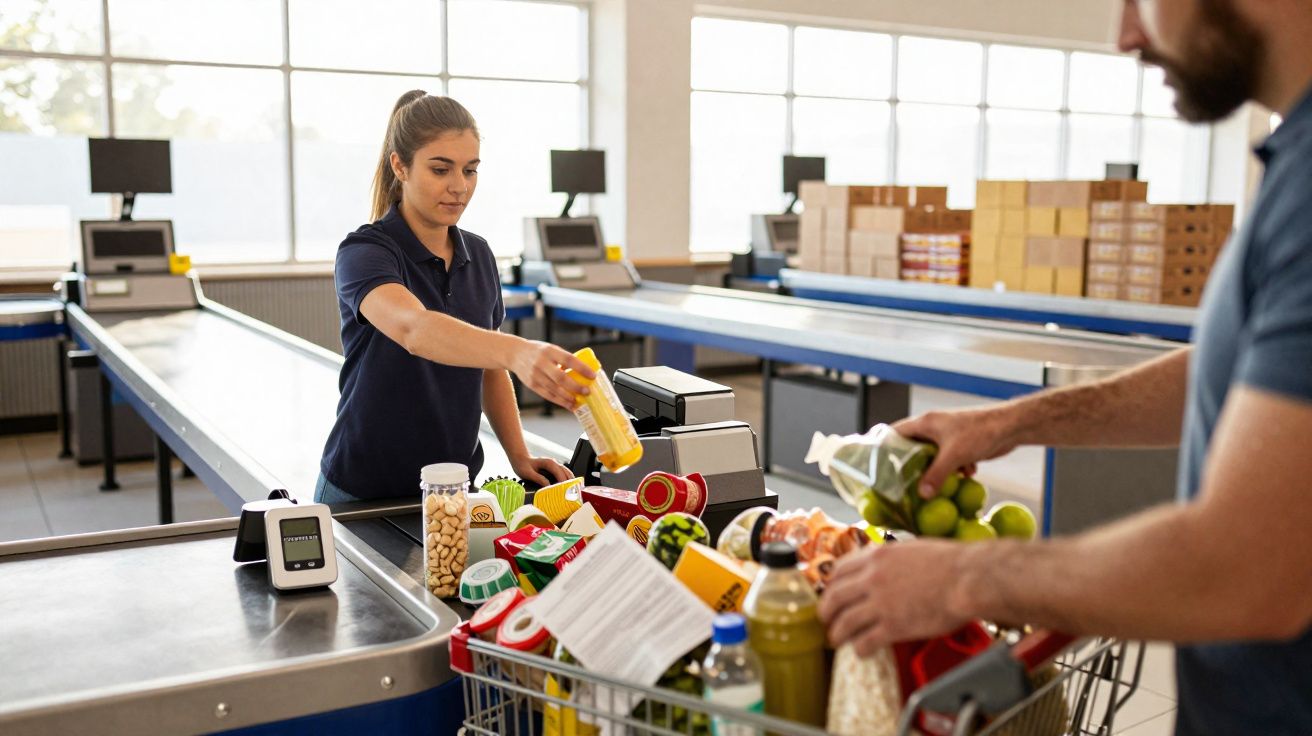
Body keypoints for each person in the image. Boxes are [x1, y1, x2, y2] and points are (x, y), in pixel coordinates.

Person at [819, 0, 1312, 732]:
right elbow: (1241, 371)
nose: (1126, 35)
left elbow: (1246, 571)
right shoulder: (1294, 162)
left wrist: (961, 579)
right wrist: (1011, 422)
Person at [317, 91, 593, 503]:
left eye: (470, 170)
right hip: (363, 490)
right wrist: (518, 350)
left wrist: (519, 456)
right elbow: (414, 328)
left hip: (453, 487)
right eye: (441, 169)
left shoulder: (479, 254)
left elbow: (488, 367)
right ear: (400, 166)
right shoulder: (364, 252)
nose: (459, 187)